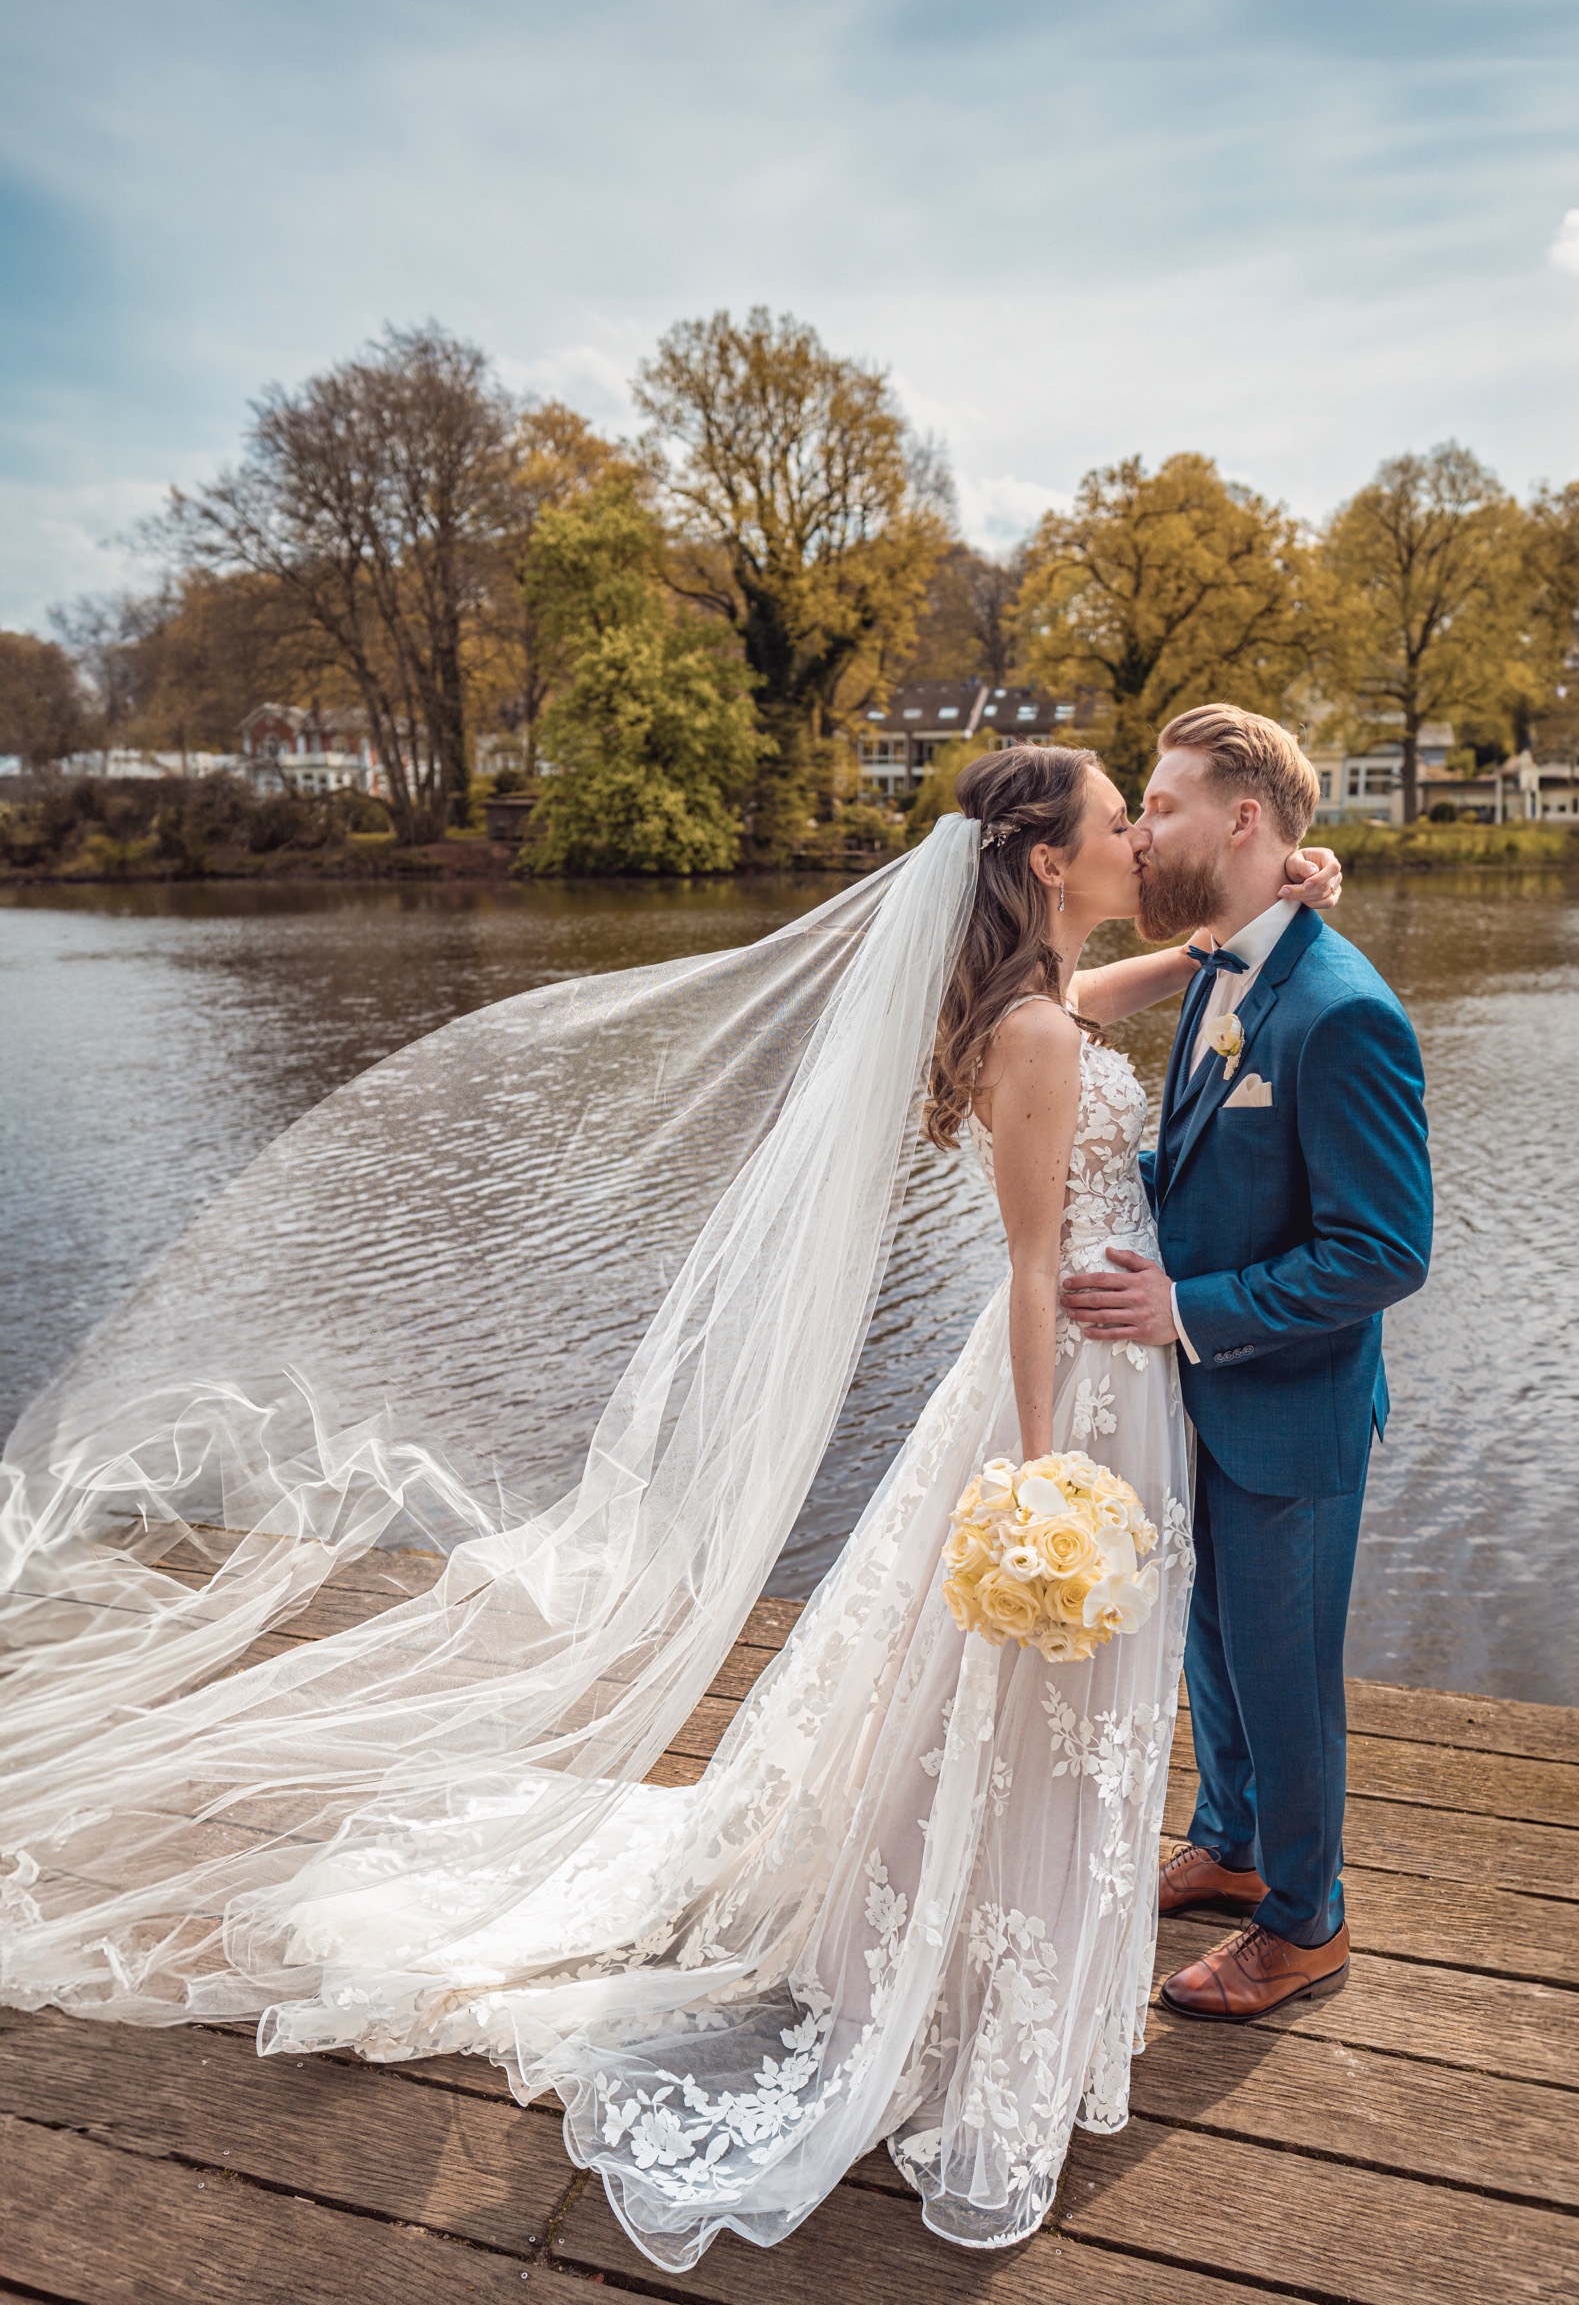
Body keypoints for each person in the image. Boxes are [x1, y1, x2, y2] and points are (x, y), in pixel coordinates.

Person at [0, 746, 1339, 2267]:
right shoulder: (1029, 1034)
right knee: (1012, 1687)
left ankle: (971, 1919)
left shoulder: (1032, 1011)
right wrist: (1041, 1481)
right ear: (1047, 864)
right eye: (1117, 821)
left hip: (1098, 1369)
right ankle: (958, 1957)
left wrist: (1225, 937)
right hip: (1068, 1394)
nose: (1135, 840)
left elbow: (1085, 1018)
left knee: (974, 1691)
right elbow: (1035, 1263)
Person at [1065, 704, 1432, 2023]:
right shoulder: (1225, 967)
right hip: (1202, 1397)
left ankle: (1306, 1920)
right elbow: (1215, 1160)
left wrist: (1185, 1307)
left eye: (1161, 805)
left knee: (1284, 1664)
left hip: (1287, 1405)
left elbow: (1385, 1251)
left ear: (1243, 822)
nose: (1142, 827)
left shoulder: (1342, 1012)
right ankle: (1231, 1840)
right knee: (1211, 1643)